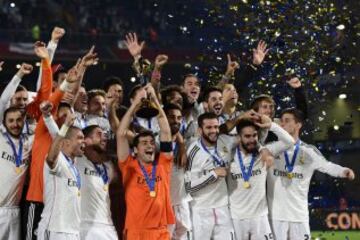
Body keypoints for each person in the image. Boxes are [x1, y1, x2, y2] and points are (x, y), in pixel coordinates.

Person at [267, 108, 355, 240]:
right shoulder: (270, 149)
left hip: (299, 216)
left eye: (287, 120)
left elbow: (327, 166)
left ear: (298, 125)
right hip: (275, 216)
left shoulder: (308, 151)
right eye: (281, 121)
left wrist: (343, 171)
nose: (283, 124)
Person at [116, 85, 175, 240]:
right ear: (135, 150)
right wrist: (135, 104)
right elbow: (121, 134)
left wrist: (155, 100)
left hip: (161, 231)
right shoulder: (128, 165)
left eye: (151, 142)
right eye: (144, 143)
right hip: (136, 232)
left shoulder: (163, 164)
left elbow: (166, 131)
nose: (150, 145)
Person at [227, 116, 295, 240]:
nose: (252, 140)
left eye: (254, 135)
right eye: (247, 136)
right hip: (236, 219)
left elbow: (289, 141)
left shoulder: (264, 152)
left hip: (260, 219)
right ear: (239, 137)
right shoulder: (229, 156)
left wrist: (271, 126)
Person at [184, 112, 237, 240]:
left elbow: (248, 140)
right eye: (209, 128)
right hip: (201, 210)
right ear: (200, 130)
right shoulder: (193, 151)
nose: (214, 131)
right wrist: (213, 174)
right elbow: (188, 187)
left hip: (223, 207)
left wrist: (263, 149)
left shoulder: (225, 141)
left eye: (216, 127)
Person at [37, 113, 85, 240]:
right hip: (54, 230)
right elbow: (52, 156)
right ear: (67, 142)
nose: (83, 141)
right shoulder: (57, 160)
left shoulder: (73, 165)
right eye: (80, 138)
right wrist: (65, 126)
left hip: (73, 231)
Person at [0, 107, 34, 240]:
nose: (15, 124)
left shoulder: (29, 142)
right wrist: (14, 84)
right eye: (11, 121)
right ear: (4, 123)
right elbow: (2, 101)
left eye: (19, 120)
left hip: (14, 211)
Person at [164, 104, 192, 240]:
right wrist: (181, 144)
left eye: (179, 118)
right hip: (163, 205)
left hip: (181, 202)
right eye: (172, 117)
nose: (176, 120)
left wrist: (182, 144)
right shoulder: (155, 142)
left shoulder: (185, 143)